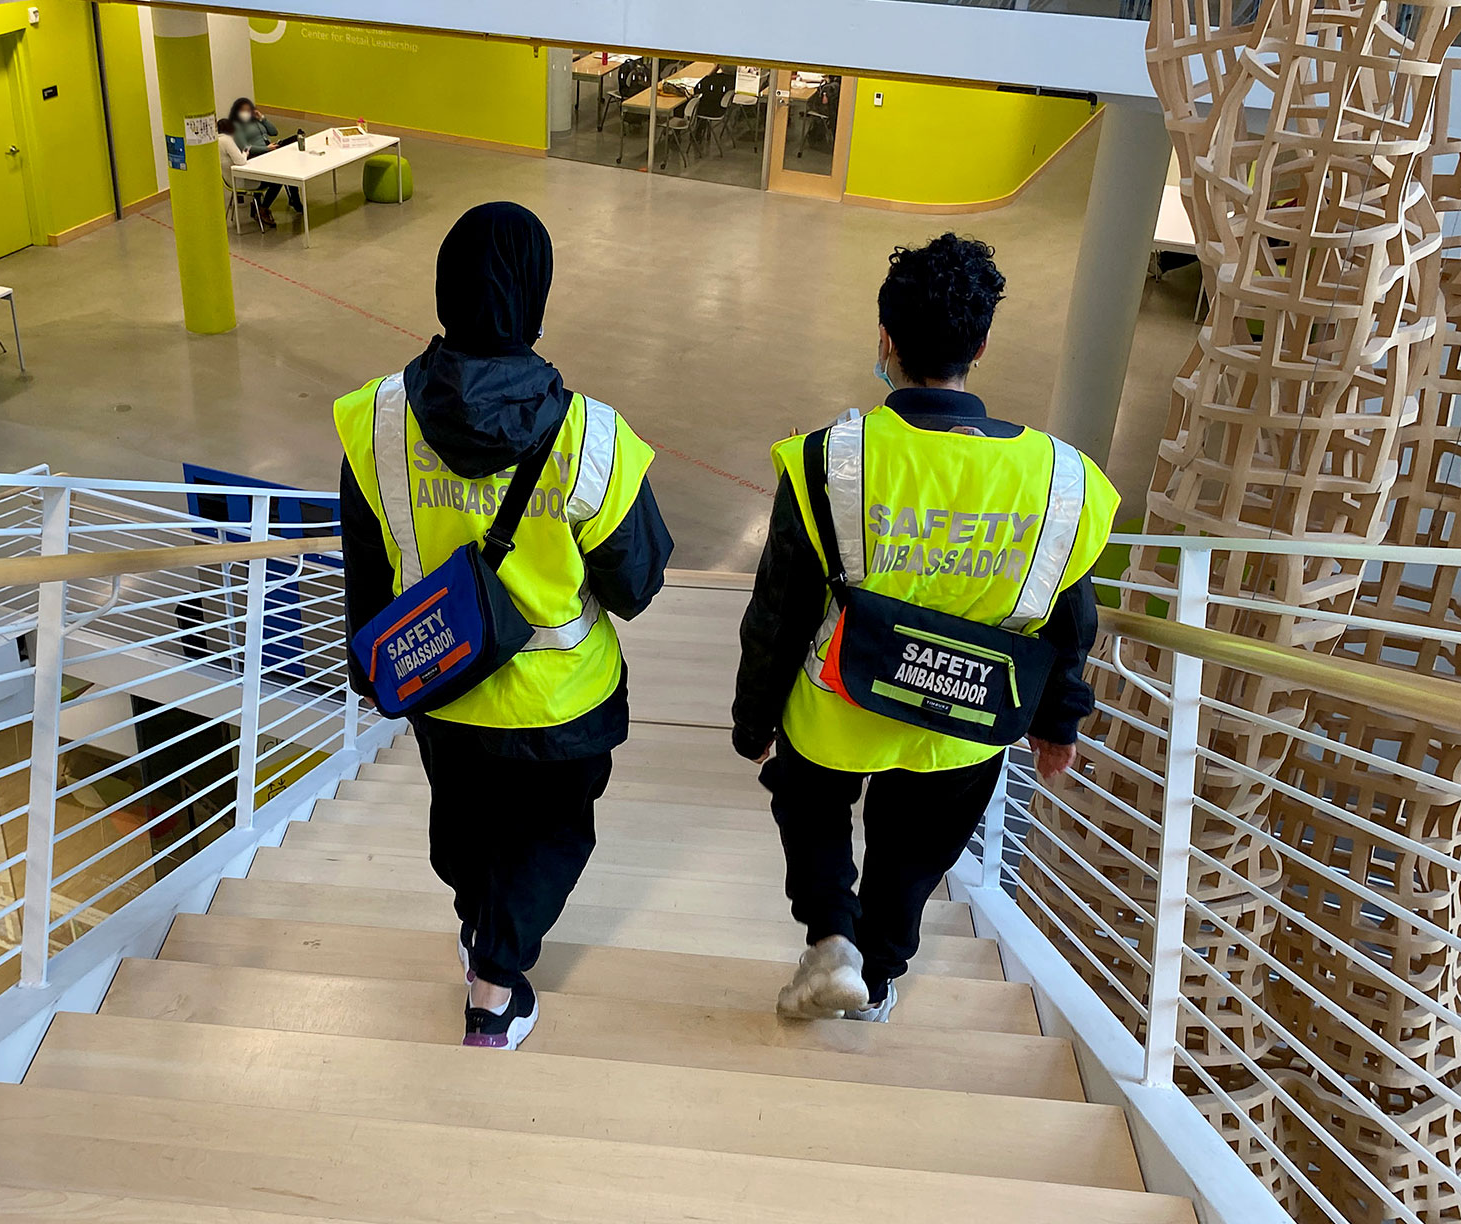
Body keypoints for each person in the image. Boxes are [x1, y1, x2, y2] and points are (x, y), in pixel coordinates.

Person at [733, 233, 1118, 1023]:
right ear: (980, 345)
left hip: (841, 705)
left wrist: (755, 717)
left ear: (886, 341)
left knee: (806, 800)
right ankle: (874, 976)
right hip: (965, 721)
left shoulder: (828, 460)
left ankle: (831, 935)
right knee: (911, 858)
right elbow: (1070, 619)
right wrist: (1058, 721)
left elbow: (781, 606)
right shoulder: (1061, 480)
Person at [336, 201, 674, 1051]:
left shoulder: (377, 422)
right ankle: (495, 987)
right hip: (562, 699)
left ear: (444, 289)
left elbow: (367, 567)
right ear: (539, 300)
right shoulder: (591, 436)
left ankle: (480, 929)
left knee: (466, 830)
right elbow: (637, 583)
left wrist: (370, 673)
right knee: (554, 834)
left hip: (440, 680)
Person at [228, 97, 302, 216]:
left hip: (271, 148)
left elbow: (274, 132)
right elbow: (245, 147)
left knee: (294, 141)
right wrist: (266, 149)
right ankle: (269, 206)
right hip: (259, 154)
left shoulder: (257, 121)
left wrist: (262, 118)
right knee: (284, 173)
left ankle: (295, 199)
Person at [216, 118, 273, 228]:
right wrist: (245, 152)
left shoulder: (217, 141)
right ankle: (263, 208)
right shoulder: (227, 141)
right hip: (240, 181)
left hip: (228, 180)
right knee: (276, 182)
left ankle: (258, 206)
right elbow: (241, 161)